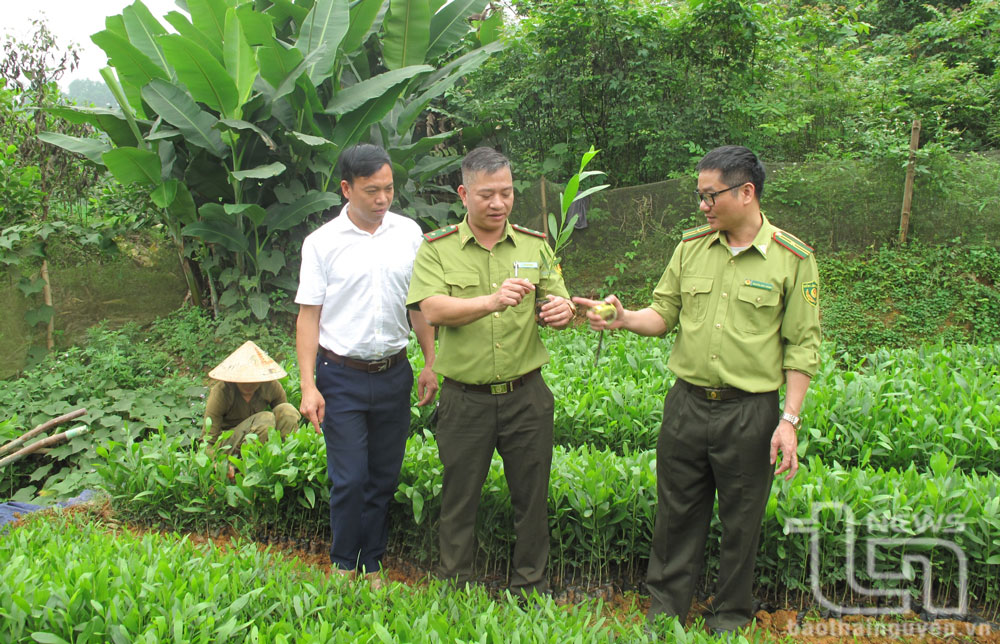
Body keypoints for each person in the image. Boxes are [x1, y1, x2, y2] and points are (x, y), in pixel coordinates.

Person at [574, 145, 821, 634]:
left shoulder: (793, 260)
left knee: (742, 521)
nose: (702, 206)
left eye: (711, 196)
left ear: (745, 192)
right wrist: (624, 319)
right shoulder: (689, 248)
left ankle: (728, 618)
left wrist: (788, 422)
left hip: (750, 412)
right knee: (675, 517)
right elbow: (662, 314)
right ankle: (665, 615)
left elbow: (802, 348)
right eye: (699, 196)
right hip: (687, 405)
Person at [405, 147, 576, 596]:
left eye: (506, 193)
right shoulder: (436, 249)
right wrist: (490, 301)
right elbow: (432, 308)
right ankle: (456, 583)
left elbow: (557, 299)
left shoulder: (535, 244)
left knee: (531, 498)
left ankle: (530, 585)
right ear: (464, 194)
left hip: (527, 396)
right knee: (460, 497)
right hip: (466, 398)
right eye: (486, 195)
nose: (498, 203)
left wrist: (561, 310)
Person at [295, 144, 438, 587]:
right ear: (346, 189)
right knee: (350, 478)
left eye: (389, 189)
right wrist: (307, 386)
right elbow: (309, 316)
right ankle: (342, 562)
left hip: (395, 373)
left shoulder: (409, 233)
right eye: (371, 190)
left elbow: (419, 306)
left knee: (383, 477)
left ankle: (372, 561)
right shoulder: (321, 244)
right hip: (340, 376)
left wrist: (430, 362)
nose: (382, 199)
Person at [203, 340, 301, 457]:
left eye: (254, 380)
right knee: (265, 418)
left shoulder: (270, 386)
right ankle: (245, 465)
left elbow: (283, 417)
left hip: (262, 435)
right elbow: (207, 442)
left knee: (287, 410)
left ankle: (284, 458)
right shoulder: (222, 392)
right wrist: (217, 463)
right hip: (230, 443)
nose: (249, 385)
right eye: (245, 381)